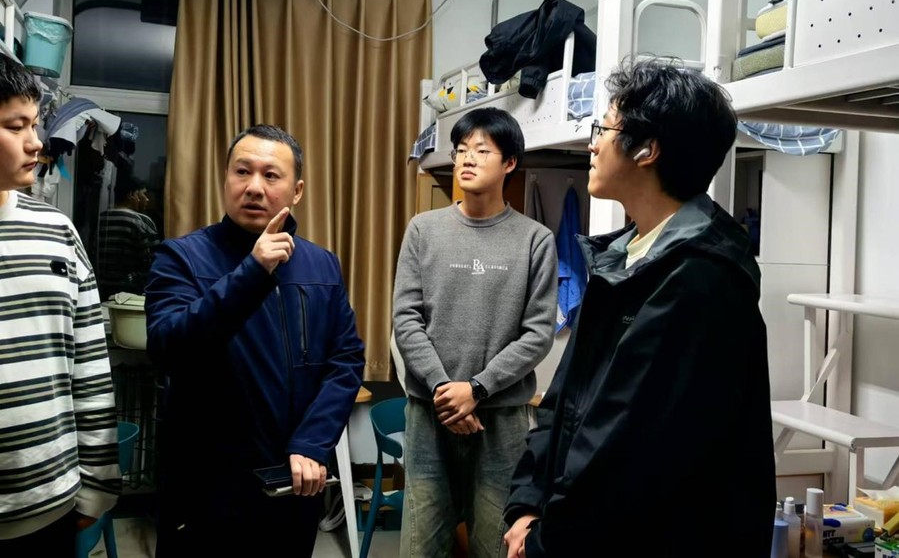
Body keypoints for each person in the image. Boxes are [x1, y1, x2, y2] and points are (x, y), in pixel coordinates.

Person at [503, 58, 776, 558]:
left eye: (603, 129)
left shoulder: (700, 278)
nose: (592, 144)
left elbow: (626, 448)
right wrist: (526, 503)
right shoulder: (623, 258)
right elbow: (563, 400)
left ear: (647, 150)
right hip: (574, 530)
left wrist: (545, 539)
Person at [144, 124, 365, 558]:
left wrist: (312, 442)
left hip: (290, 484)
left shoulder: (321, 264)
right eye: (242, 171)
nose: (254, 187)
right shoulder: (181, 257)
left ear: (297, 191)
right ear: (225, 178)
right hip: (206, 489)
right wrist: (253, 271)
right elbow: (168, 347)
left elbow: (346, 360)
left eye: (271, 175)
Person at [394, 106, 558, 558]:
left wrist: (478, 389)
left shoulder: (535, 239)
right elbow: (406, 319)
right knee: (421, 545)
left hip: (500, 417)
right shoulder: (423, 230)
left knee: (496, 543)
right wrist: (445, 390)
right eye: (461, 149)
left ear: (510, 163)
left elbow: (538, 333)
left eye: (482, 150)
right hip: (430, 413)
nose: (467, 158)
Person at [0, 54, 120, 555]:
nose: (36, 142)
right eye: (15, 127)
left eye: (35, 124)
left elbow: (88, 367)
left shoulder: (57, 232)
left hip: (47, 503)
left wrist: (97, 484)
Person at [96, 175, 159, 299]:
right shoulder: (142, 221)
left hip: (100, 289)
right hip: (129, 293)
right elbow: (154, 261)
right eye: (143, 194)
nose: (146, 199)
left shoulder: (100, 218)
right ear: (131, 195)